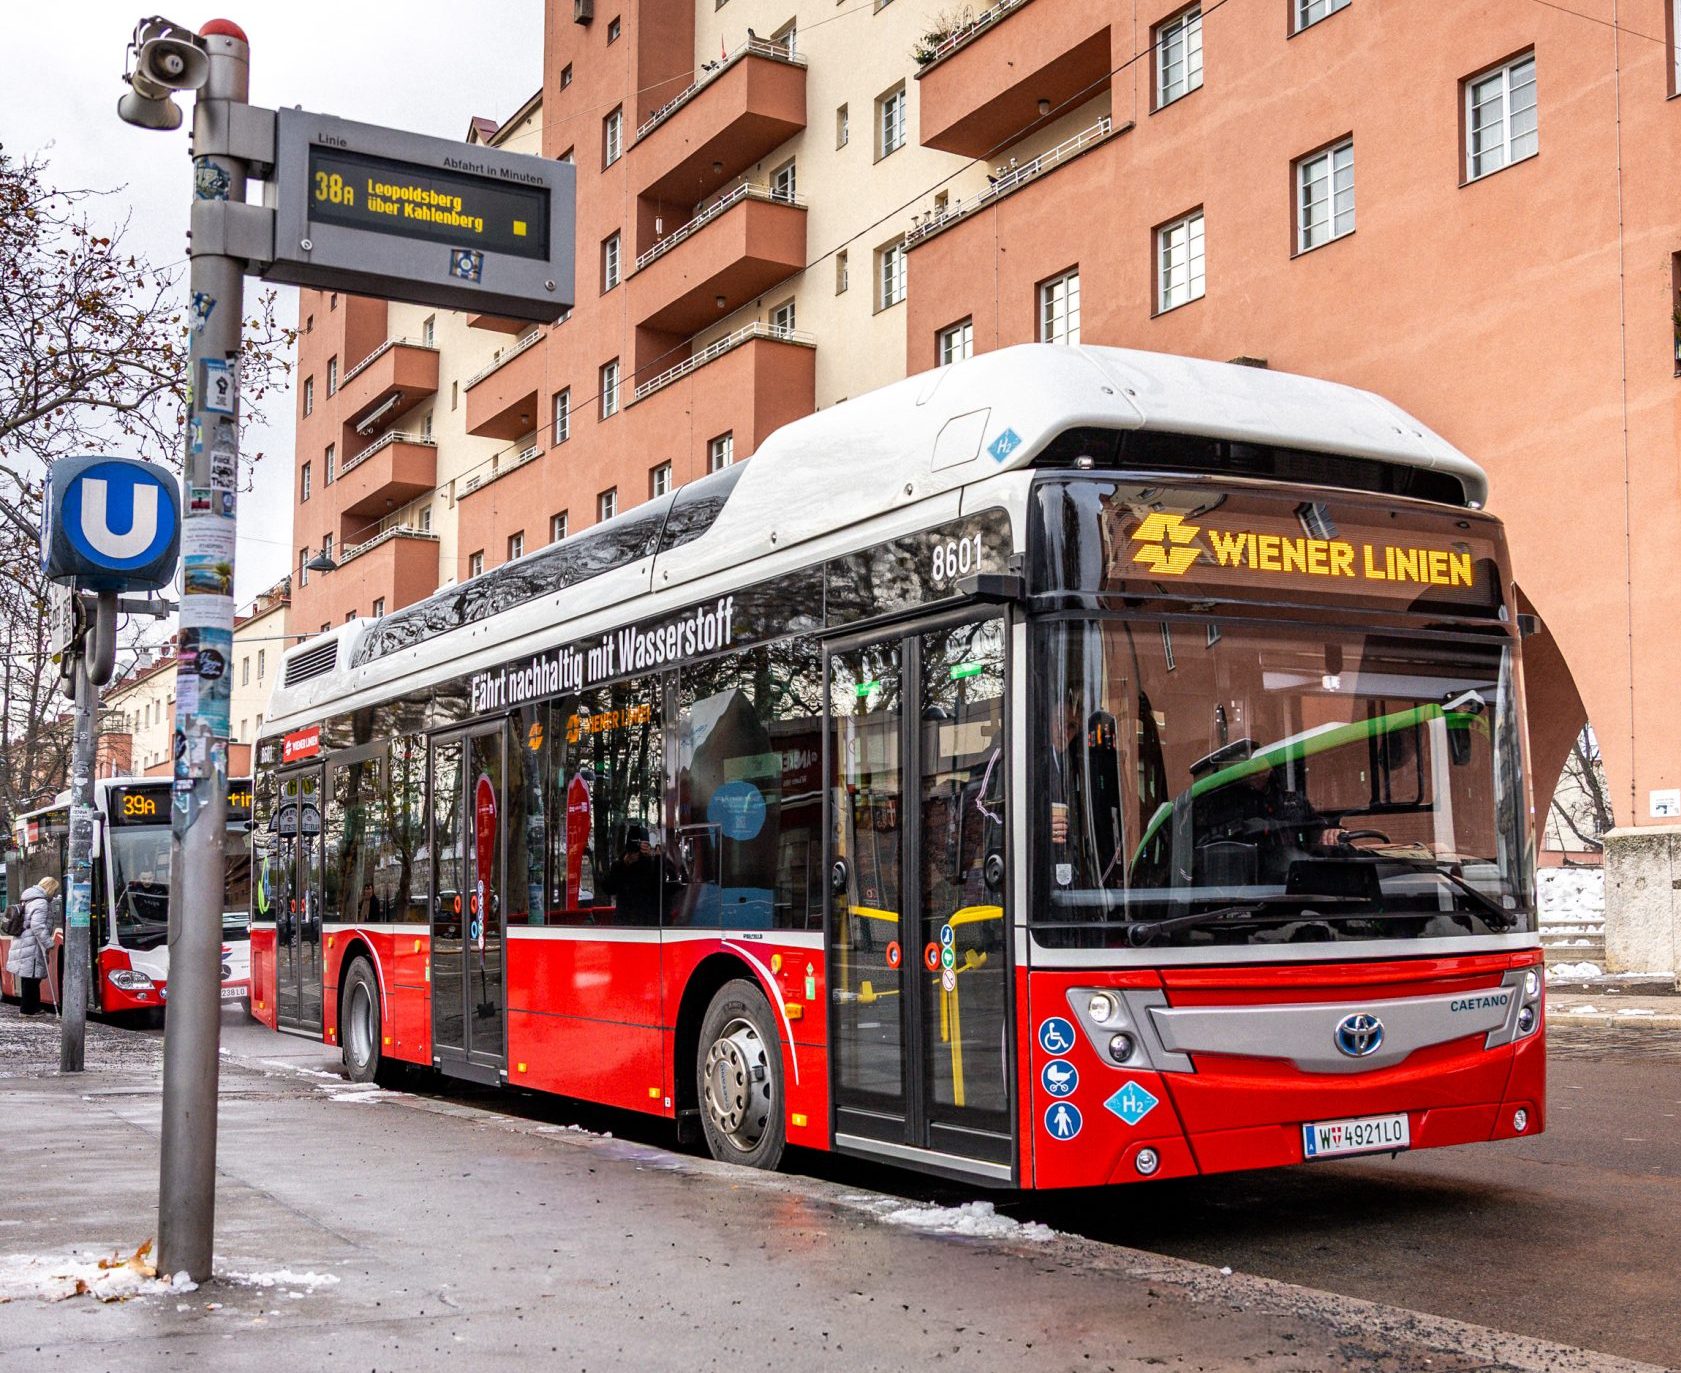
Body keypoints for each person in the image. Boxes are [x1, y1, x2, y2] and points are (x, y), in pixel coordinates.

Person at [7, 876, 64, 1016]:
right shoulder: (41, 903)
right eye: (54, 890)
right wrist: (48, 943)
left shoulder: (28, 899)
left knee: (30, 977)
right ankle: (28, 1009)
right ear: (50, 888)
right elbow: (37, 926)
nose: (55, 894)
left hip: (24, 942)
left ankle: (32, 1008)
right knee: (32, 977)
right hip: (32, 944)